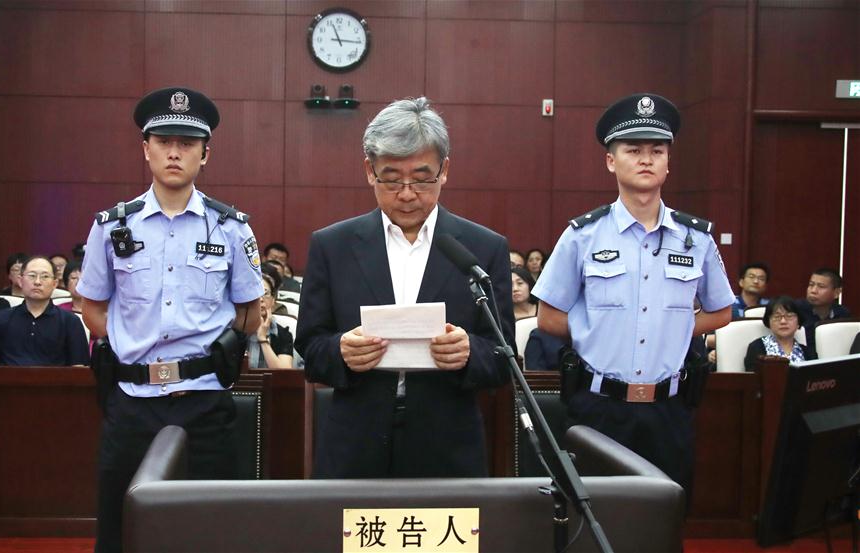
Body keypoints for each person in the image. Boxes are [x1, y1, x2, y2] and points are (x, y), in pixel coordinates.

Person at [77, 87, 263, 553]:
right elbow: (92, 308)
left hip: (204, 400)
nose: (174, 152)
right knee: (120, 528)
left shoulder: (232, 227)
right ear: (146, 149)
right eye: (163, 141)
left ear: (205, 154)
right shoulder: (112, 226)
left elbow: (249, 312)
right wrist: (132, 341)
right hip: (132, 400)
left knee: (213, 530)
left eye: (187, 143)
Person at [295, 97, 513, 479]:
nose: (408, 193)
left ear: (444, 171)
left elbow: (502, 357)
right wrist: (341, 350)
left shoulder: (483, 248)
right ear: (370, 171)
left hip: (448, 447)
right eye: (392, 179)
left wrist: (468, 352)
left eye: (422, 178)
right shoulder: (333, 246)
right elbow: (310, 348)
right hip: (355, 446)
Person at [533, 93, 734, 493]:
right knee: (593, 515)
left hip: (669, 408)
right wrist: (601, 328)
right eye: (633, 150)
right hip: (599, 407)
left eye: (657, 151)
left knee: (666, 515)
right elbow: (548, 317)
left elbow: (721, 311)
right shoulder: (583, 235)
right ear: (611, 161)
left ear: (668, 162)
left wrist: (672, 327)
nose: (646, 159)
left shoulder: (696, 238)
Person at [0, 255, 89, 366]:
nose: (37, 282)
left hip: (55, 377)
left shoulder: (70, 321)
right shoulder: (1, 318)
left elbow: (78, 366)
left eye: (45, 276)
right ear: (20, 281)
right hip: (9, 377)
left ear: (54, 284)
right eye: (32, 276)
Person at [744, 296, 815, 372]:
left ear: (798, 322)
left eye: (789, 316)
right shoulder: (756, 347)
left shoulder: (808, 352)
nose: (783, 321)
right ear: (769, 322)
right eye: (777, 317)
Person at [246, 270, 294, 369]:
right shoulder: (236, 331)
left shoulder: (283, 335)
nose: (260, 299)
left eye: (265, 293)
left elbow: (284, 373)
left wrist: (263, 339)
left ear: (273, 300)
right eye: (255, 293)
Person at [796, 268, 851, 353]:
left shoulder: (843, 315)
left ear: (836, 293)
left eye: (821, 286)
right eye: (811, 285)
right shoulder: (796, 310)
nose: (813, 291)